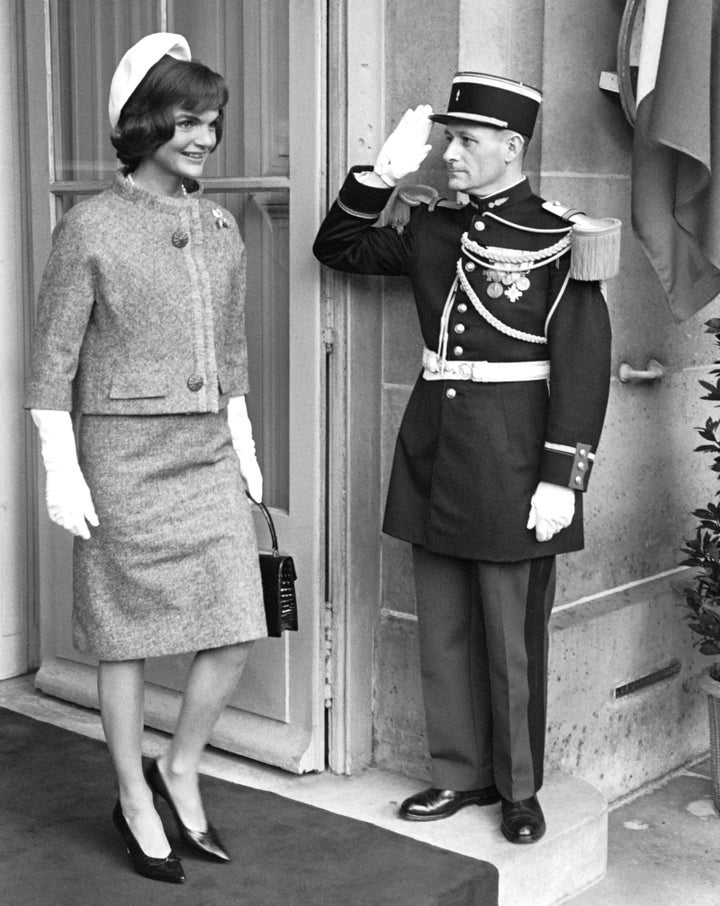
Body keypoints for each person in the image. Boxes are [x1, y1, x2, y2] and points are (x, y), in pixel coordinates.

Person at [313, 72, 615, 844]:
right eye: (447, 138)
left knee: (511, 636)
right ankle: (458, 774)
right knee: (442, 621)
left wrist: (563, 476)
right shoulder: (433, 228)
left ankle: (518, 788)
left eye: (465, 140)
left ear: (512, 147)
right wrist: (377, 178)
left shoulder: (557, 235)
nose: (449, 152)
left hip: (514, 457)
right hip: (435, 448)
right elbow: (337, 246)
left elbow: (582, 361)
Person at [25, 33, 267, 883]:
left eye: (211, 122)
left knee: (239, 620)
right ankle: (132, 793)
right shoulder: (89, 225)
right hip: (122, 459)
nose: (202, 137)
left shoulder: (222, 225)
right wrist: (60, 459)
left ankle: (181, 766)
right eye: (185, 120)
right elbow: (52, 358)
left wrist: (241, 442)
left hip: (204, 454)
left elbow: (230, 348)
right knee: (124, 640)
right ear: (142, 124)